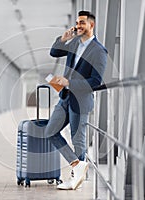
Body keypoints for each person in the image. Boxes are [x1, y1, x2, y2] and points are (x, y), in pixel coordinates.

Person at [45, 10, 108, 190]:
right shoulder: (73, 44)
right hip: (65, 97)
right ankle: (77, 165)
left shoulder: (99, 51)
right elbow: (54, 52)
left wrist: (69, 82)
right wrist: (64, 38)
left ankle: (77, 179)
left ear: (91, 25)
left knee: (78, 140)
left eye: (82, 23)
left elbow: (96, 81)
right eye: (77, 23)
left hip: (80, 100)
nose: (78, 26)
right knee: (50, 131)